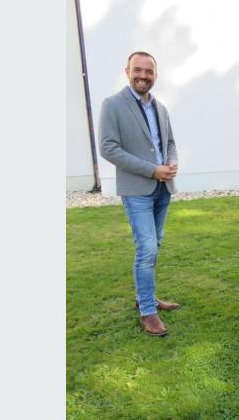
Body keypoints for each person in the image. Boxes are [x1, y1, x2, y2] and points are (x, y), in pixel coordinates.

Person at [99, 51, 181, 336]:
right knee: (146, 248)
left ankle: (146, 297)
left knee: (154, 245)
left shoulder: (161, 108)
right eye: (138, 70)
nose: (143, 76)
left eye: (149, 71)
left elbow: (169, 142)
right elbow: (109, 148)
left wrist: (172, 162)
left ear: (155, 75)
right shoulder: (112, 105)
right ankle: (148, 311)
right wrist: (151, 170)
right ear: (127, 71)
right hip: (138, 190)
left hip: (163, 188)